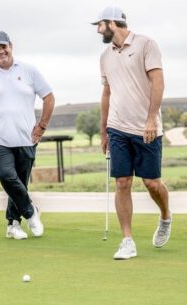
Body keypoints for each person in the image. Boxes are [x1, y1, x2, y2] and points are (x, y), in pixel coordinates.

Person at [92, 6, 171, 259]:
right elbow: (107, 93)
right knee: (122, 182)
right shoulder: (105, 56)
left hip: (147, 127)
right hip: (118, 128)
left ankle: (166, 217)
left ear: (112, 23)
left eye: (100, 25)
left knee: (151, 183)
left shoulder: (146, 44)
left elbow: (158, 82)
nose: (97, 30)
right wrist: (104, 130)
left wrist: (151, 119)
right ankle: (127, 240)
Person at [0, 31, 55, 240]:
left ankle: (13, 224)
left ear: (11, 46)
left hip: (26, 138)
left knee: (19, 183)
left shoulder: (28, 70)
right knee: (7, 176)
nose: (1, 51)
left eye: (3, 46)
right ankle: (31, 212)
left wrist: (41, 126)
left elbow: (49, 97)